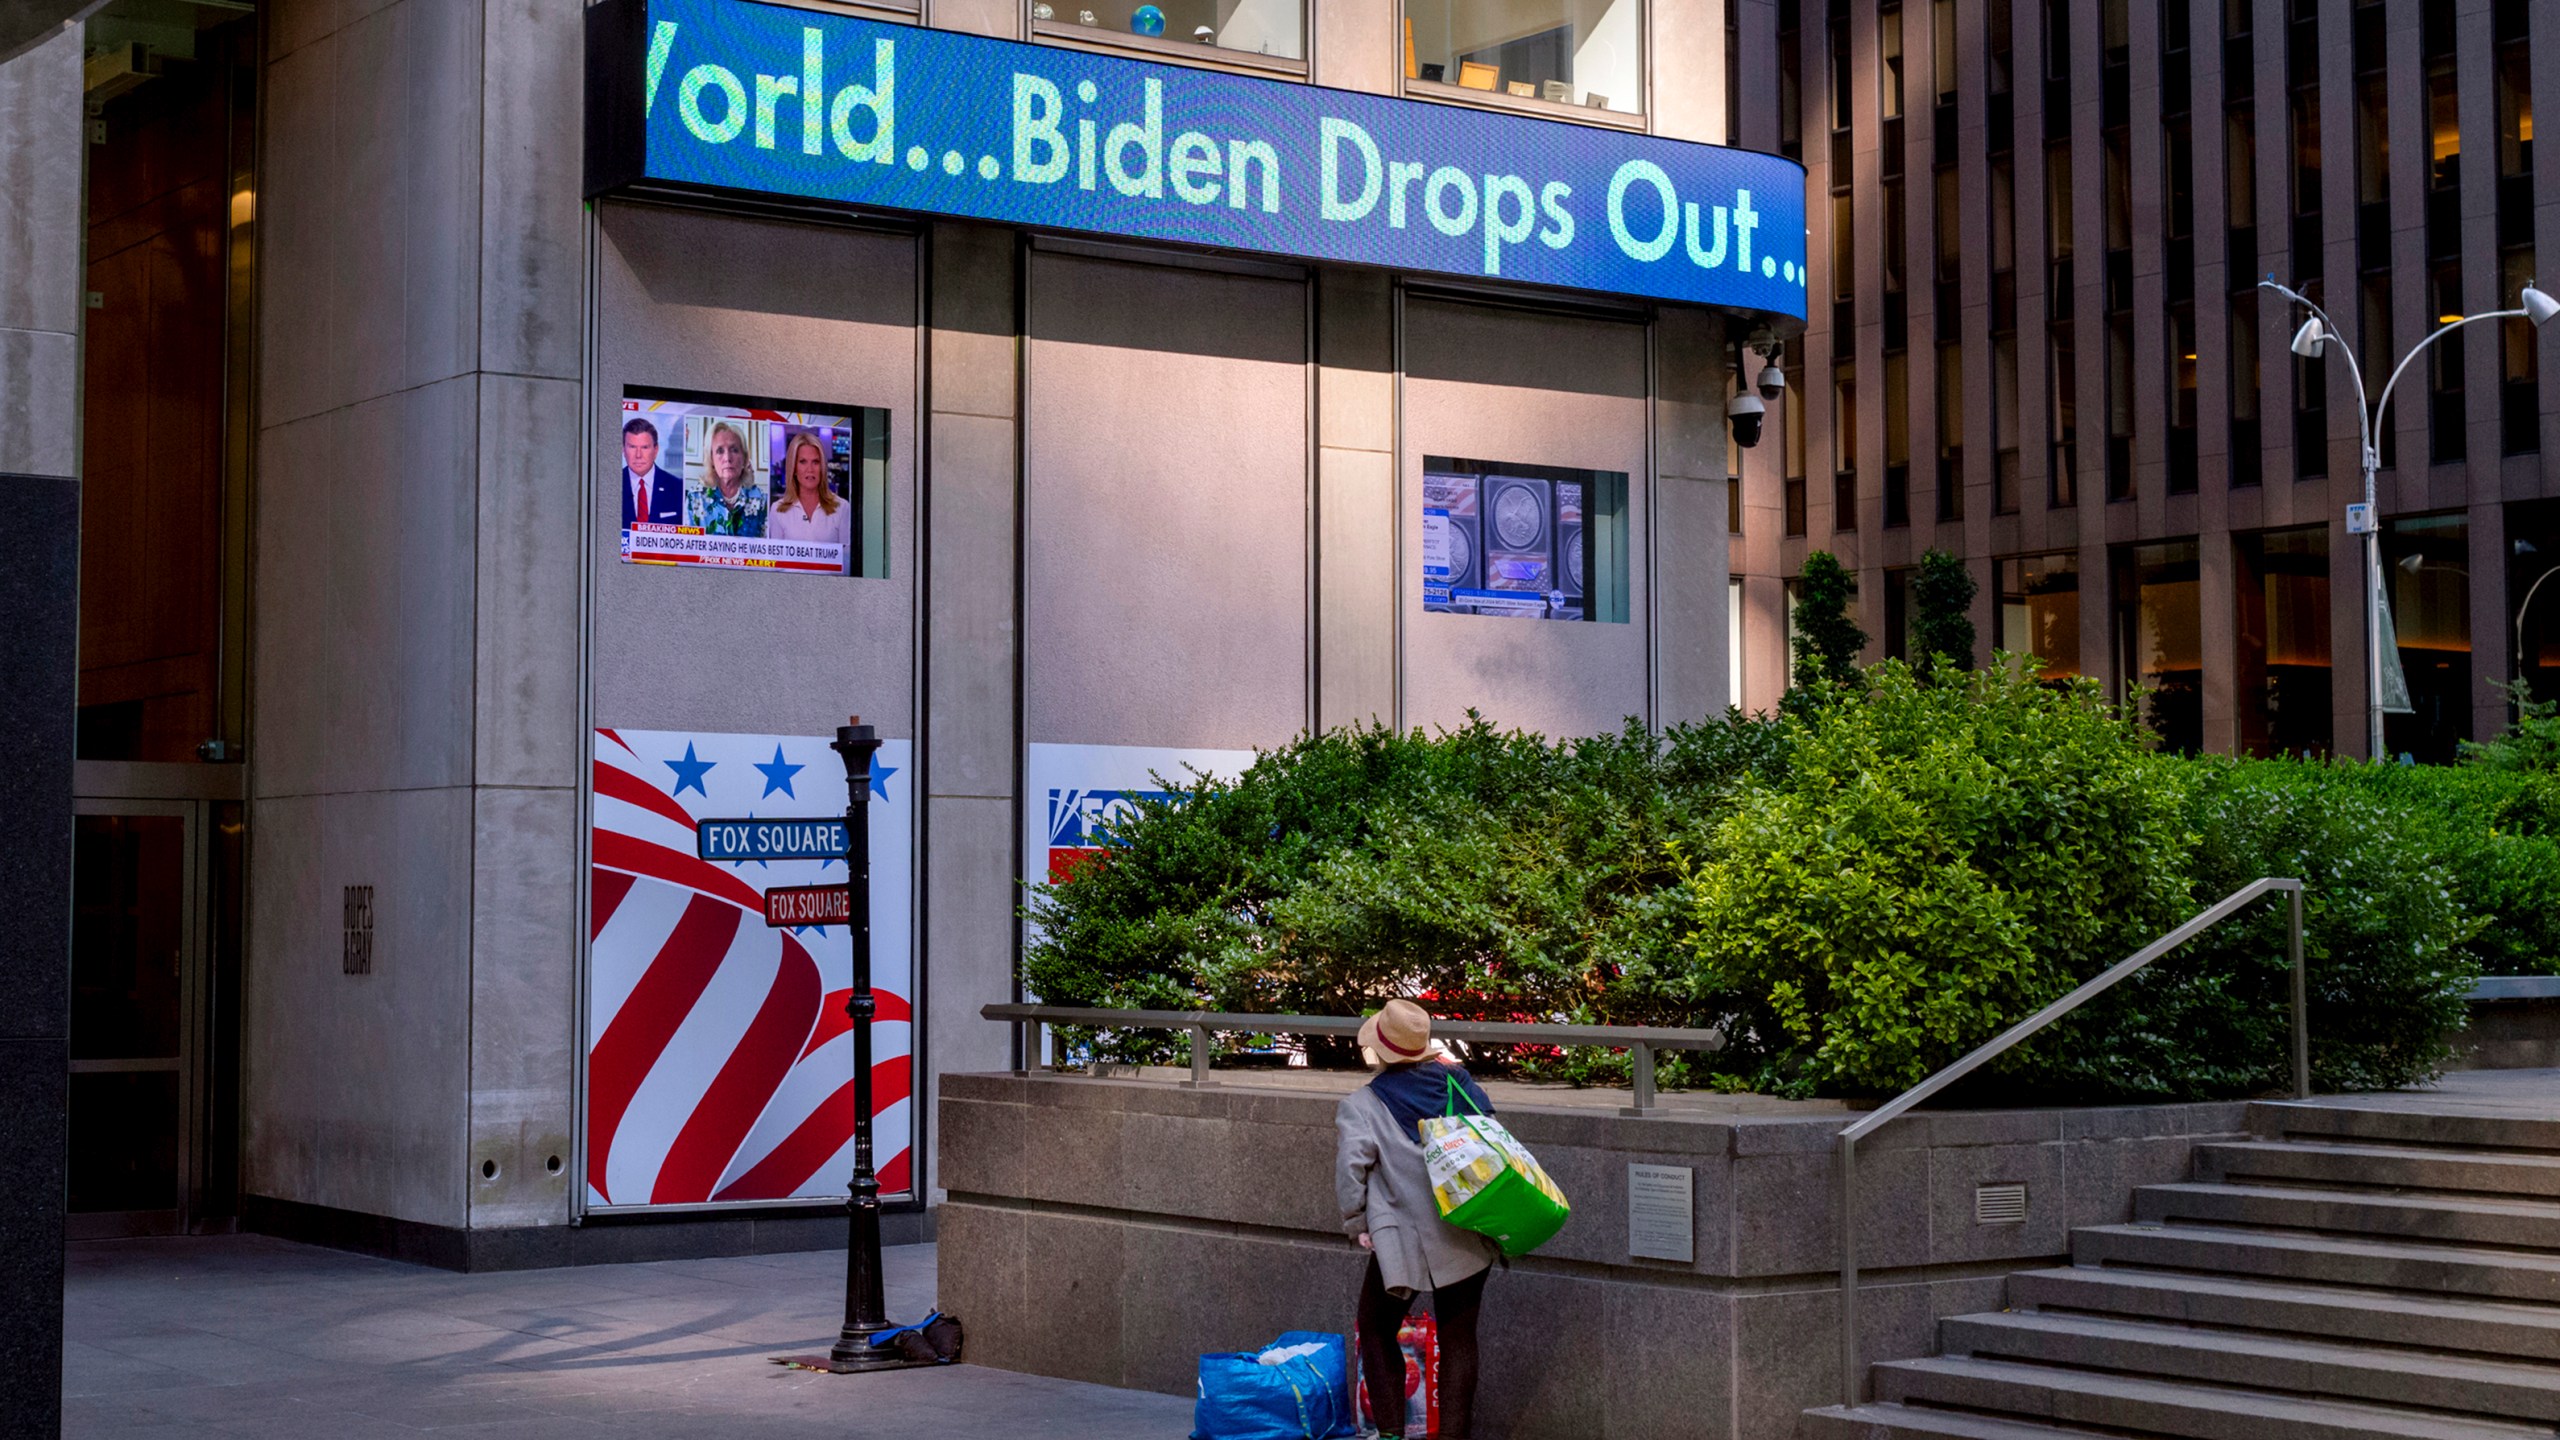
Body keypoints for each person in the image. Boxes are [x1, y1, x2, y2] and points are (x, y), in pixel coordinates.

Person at [1337, 998, 1498, 1440]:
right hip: (1467, 1226)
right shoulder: (1458, 1081)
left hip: (1400, 1241)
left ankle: (1391, 1434)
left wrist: (1357, 1224)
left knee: (1375, 1328)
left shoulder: (1363, 1104)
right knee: (1459, 1337)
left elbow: (1351, 1171)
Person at [766, 431, 853, 553]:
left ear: (822, 467)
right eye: (803, 462)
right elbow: (776, 562)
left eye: (816, 462)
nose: (810, 469)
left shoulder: (842, 508)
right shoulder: (777, 510)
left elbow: (846, 561)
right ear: (794, 468)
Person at [689, 419, 765, 537]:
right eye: (720, 451)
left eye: (734, 450)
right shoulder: (694, 498)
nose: (727, 458)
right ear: (711, 459)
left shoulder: (761, 500)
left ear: (744, 458)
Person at [620, 416, 684, 528]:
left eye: (645, 447)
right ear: (623, 449)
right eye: (632, 447)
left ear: (656, 450)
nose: (638, 455)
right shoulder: (610, 485)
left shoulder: (678, 488)